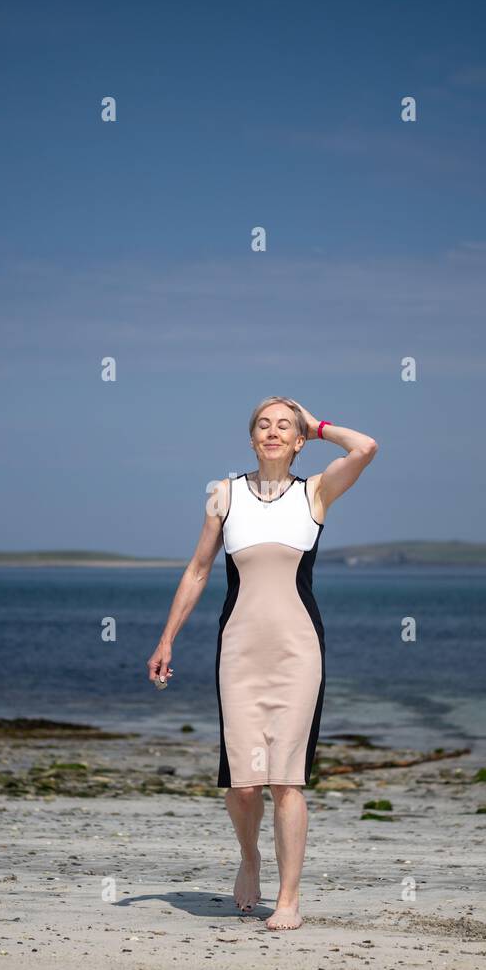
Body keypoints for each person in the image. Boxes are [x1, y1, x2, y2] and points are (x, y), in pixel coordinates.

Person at [147, 398, 378, 931]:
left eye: (284, 426)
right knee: (244, 784)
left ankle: (289, 900)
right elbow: (199, 571)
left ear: (298, 441)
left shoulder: (316, 491)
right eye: (263, 425)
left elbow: (365, 447)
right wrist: (167, 640)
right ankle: (249, 858)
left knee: (286, 781)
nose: (272, 432)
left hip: (299, 652)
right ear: (250, 438)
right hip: (239, 653)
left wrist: (317, 425)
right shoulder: (222, 495)